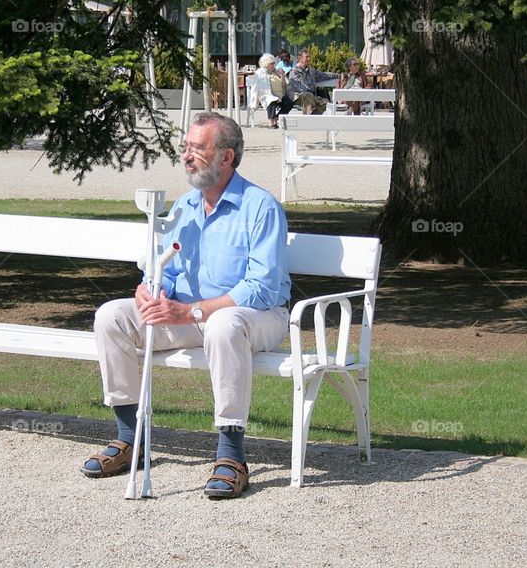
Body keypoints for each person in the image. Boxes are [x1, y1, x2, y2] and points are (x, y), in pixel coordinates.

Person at [81, 113, 292, 500]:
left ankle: (231, 455)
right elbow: (167, 269)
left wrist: (192, 312)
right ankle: (131, 439)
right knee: (112, 315)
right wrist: (150, 290)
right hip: (192, 316)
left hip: (257, 319)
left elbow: (261, 288)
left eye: (197, 148)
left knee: (224, 324)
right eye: (185, 147)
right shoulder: (186, 206)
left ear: (226, 157)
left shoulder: (260, 207)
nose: (186, 156)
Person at [287, 49, 337, 114]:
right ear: (300, 59)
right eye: (306, 57)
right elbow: (301, 88)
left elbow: (324, 75)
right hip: (298, 96)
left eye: (309, 57)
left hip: (311, 96)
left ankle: (313, 117)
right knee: (308, 96)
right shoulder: (294, 71)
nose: (309, 59)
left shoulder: (311, 70)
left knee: (326, 103)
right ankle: (306, 118)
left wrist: (338, 75)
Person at [252, 53, 293, 128]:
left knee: (289, 103)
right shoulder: (261, 73)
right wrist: (274, 97)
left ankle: (277, 118)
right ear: (266, 64)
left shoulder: (276, 72)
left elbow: (284, 85)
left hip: (280, 95)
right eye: (272, 63)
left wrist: (282, 76)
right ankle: (271, 122)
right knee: (271, 100)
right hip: (268, 94)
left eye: (274, 63)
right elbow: (262, 89)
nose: (273, 65)